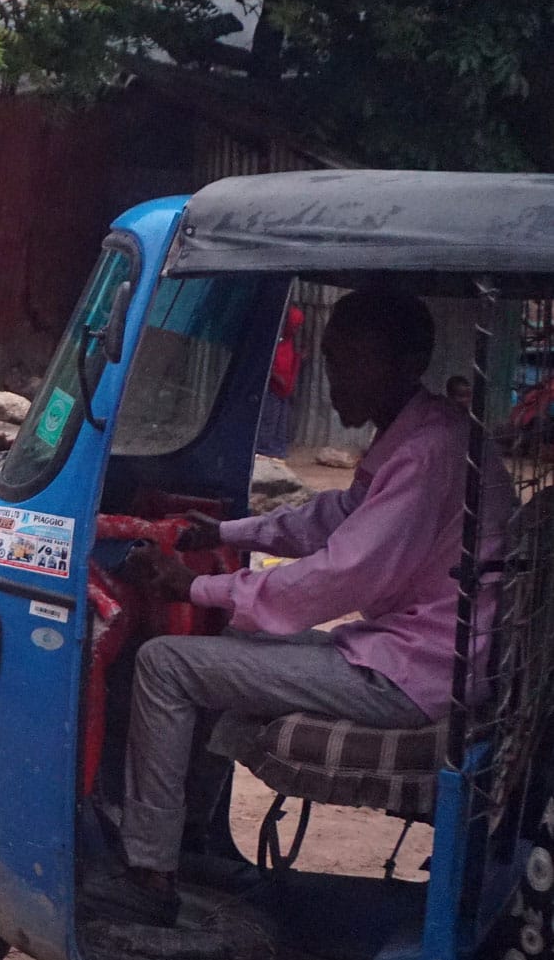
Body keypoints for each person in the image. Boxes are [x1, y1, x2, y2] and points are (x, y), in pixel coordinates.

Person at [85, 290, 509, 926]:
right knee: (224, 659)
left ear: (408, 362)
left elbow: (340, 573)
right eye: (332, 360)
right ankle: (187, 841)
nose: (336, 378)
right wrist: (225, 534)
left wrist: (194, 587)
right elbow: (334, 518)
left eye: (354, 363)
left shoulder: (427, 453)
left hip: (411, 676)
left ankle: (150, 873)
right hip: (407, 653)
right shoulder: (419, 433)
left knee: (165, 664)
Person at [257, 304, 304, 458]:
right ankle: (263, 448)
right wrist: (277, 377)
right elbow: (268, 362)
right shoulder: (276, 340)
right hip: (273, 387)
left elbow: (288, 361)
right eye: (295, 326)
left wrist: (300, 358)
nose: (296, 331)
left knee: (281, 421)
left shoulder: (288, 341)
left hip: (285, 389)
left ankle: (277, 449)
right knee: (269, 419)